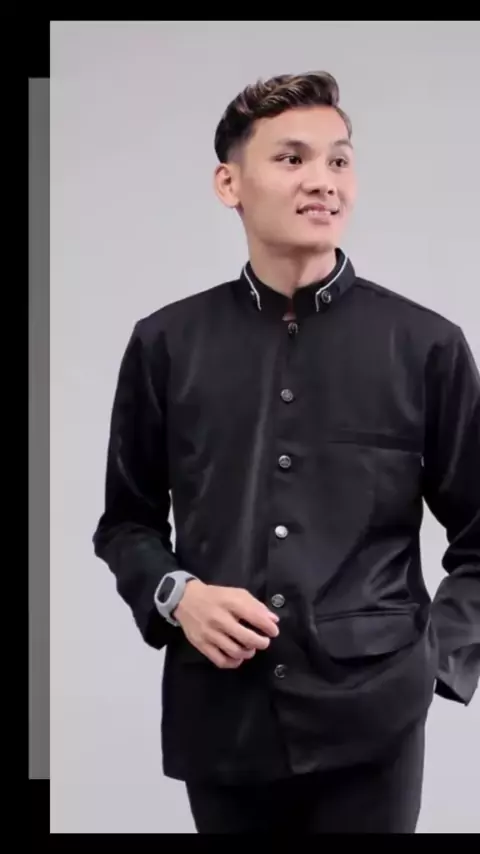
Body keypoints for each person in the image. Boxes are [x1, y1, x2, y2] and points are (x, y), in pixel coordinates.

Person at [92, 70, 480, 833]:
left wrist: (435, 660)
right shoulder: (166, 344)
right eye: (292, 158)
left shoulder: (426, 346)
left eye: (339, 160)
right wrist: (177, 594)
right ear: (229, 183)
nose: (322, 181)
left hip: (374, 722)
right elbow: (125, 524)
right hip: (220, 718)